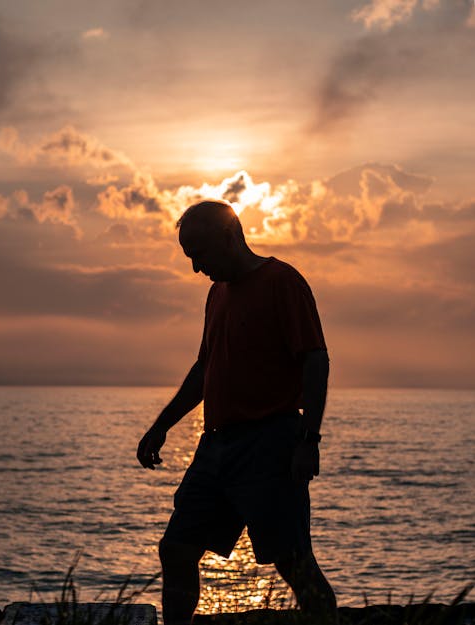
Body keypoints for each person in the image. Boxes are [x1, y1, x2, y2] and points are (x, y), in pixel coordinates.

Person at [137, 200, 338, 625]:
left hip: (270, 444)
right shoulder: (217, 294)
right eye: (189, 257)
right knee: (177, 547)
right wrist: (162, 425)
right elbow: (205, 367)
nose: (196, 268)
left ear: (230, 237)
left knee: (293, 561)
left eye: (200, 254)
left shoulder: (282, 282)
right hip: (216, 447)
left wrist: (309, 441)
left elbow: (316, 360)